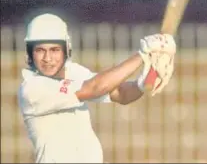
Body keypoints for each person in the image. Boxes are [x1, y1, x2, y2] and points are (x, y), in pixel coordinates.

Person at [17, 13, 176, 163]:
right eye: (40, 50)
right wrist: (143, 54)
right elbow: (95, 87)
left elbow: (122, 94)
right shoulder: (31, 89)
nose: (47, 58)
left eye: (54, 50)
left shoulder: (74, 72)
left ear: (66, 49)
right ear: (30, 53)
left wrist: (146, 81)